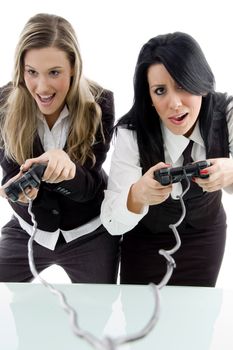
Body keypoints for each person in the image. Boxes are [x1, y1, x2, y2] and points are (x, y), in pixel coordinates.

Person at [100, 32, 233, 287]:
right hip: (145, 242)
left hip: (206, 236)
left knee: (198, 318)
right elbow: (111, 223)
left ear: (202, 84)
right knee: (141, 319)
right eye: (160, 91)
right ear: (148, 96)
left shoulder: (226, 113)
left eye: (183, 85)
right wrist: (137, 194)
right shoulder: (131, 133)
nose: (174, 103)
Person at [0, 13, 120, 283]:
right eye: (32, 72)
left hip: (88, 232)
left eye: (54, 72)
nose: (42, 87)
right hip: (27, 230)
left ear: (74, 68)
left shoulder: (100, 104)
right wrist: (16, 188)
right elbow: (9, 171)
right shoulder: (3, 103)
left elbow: (89, 186)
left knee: (94, 316)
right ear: (21, 69)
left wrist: (67, 170)